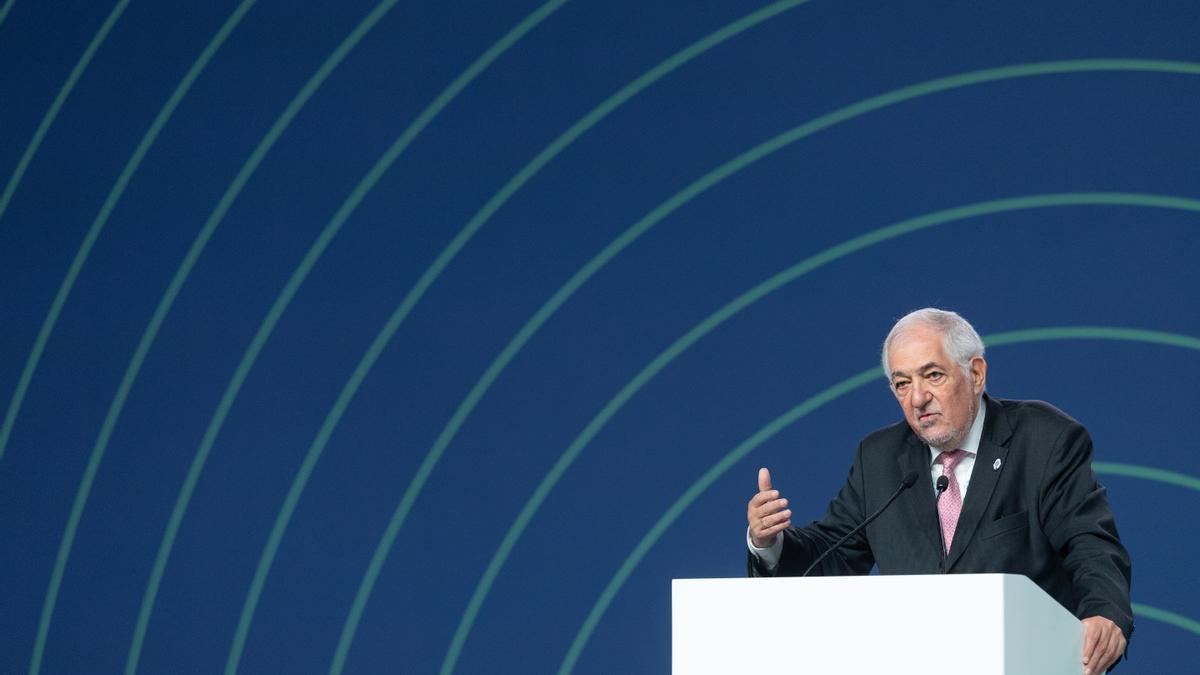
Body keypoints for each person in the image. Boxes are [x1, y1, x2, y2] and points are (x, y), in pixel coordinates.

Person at [746, 308, 1132, 674]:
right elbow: (833, 554)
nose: (917, 398)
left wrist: (1103, 614)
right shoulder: (878, 459)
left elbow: (1090, 544)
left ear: (976, 373)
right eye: (902, 383)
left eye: (932, 375)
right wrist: (771, 543)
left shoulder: (1044, 440)